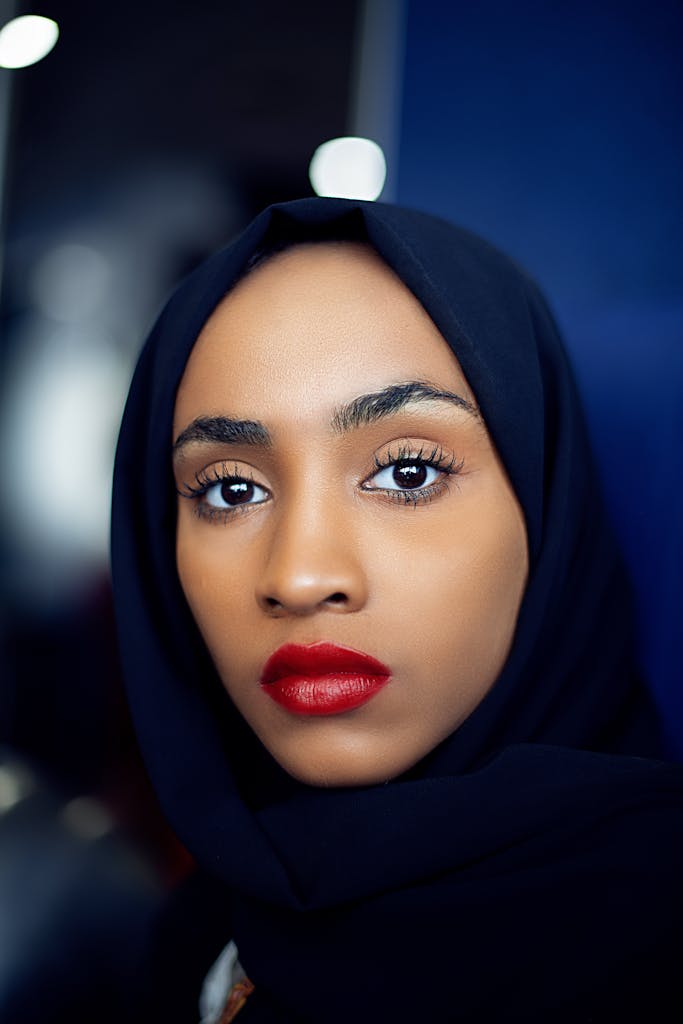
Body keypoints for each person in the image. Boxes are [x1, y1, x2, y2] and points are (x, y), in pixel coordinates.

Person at [111, 198, 683, 1023]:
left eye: (406, 474)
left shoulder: (655, 935)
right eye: (231, 489)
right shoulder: (199, 931)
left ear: (544, 504)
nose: (302, 577)